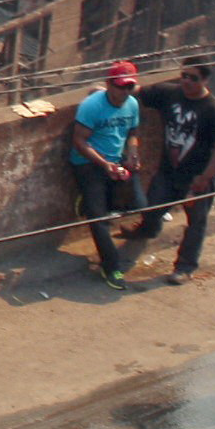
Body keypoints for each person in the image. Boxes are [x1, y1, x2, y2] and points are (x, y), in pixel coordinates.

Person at [123, 64, 215, 282]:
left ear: (205, 81)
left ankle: (185, 267)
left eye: (193, 78)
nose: (187, 81)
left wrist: (204, 179)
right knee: (152, 205)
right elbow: (139, 92)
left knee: (196, 222)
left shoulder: (213, 110)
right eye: (184, 76)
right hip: (169, 171)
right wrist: (116, 86)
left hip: (197, 177)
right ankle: (149, 229)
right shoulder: (170, 94)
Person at [69, 59, 144, 288]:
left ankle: (90, 202)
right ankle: (111, 268)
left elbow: (133, 132)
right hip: (89, 162)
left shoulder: (132, 104)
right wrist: (104, 165)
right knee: (98, 218)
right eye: (120, 86)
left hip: (116, 159)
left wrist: (132, 153)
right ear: (109, 84)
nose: (124, 92)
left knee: (139, 204)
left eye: (129, 87)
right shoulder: (92, 106)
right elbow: (80, 141)